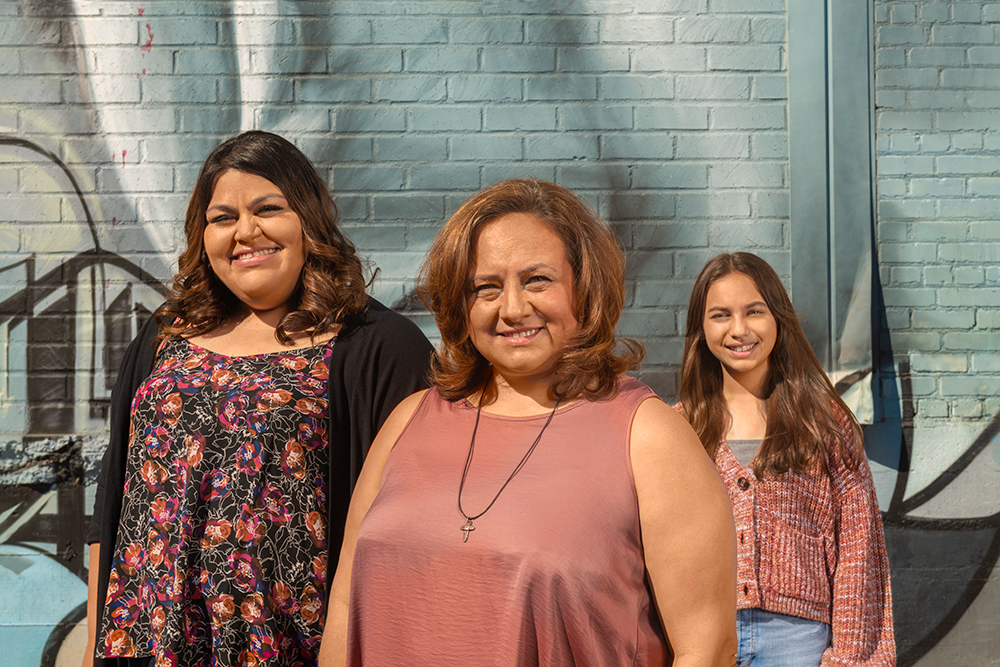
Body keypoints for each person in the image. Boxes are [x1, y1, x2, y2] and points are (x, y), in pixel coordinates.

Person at [317, 178, 737, 667]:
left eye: (537, 280)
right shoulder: (408, 420)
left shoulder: (647, 434)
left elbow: (707, 648)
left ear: (585, 289)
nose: (513, 309)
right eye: (486, 287)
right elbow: (345, 610)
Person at [83, 131, 433, 667]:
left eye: (268, 209)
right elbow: (113, 499)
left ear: (309, 221)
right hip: (150, 648)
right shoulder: (164, 336)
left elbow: (411, 529)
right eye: (223, 218)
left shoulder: (378, 347)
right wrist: (93, 648)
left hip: (289, 649)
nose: (246, 232)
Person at [677, 252, 895, 666]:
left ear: (778, 318)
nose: (739, 329)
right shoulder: (678, 430)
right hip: (700, 640)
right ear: (701, 329)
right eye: (720, 315)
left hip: (797, 643)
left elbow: (858, 549)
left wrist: (850, 658)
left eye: (754, 311)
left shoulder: (823, 425)